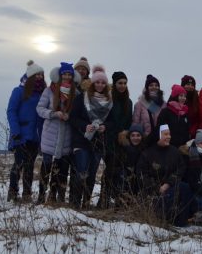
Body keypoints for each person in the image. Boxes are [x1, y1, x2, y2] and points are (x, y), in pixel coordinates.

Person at [69, 65, 115, 208]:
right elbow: (73, 118)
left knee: (92, 173)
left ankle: (86, 202)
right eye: (97, 82)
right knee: (81, 171)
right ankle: (75, 202)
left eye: (103, 82)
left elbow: (113, 122)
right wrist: (84, 126)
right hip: (82, 141)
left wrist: (105, 126)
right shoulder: (81, 98)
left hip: (98, 142)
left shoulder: (109, 101)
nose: (100, 85)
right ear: (92, 83)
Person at [137, 124, 192, 227]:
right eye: (165, 134)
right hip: (153, 192)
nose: (169, 137)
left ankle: (181, 221)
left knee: (185, 188)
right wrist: (157, 187)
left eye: (169, 134)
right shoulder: (147, 153)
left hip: (170, 187)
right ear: (158, 136)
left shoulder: (174, 151)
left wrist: (168, 183)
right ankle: (162, 217)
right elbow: (142, 174)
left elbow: (181, 168)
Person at [37, 63, 76, 204]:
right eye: (64, 74)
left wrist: (69, 116)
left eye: (69, 74)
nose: (67, 76)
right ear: (59, 75)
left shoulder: (75, 93)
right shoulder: (49, 91)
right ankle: (41, 195)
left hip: (66, 135)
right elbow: (40, 109)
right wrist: (53, 113)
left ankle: (54, 196)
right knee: (46, 165)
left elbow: (77, 113)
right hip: (50, 134)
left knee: (60, 167)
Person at [7, 60, 46, 202]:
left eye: (41, 75)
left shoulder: (43, 94)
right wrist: (15, 130)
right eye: (37, 75)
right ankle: (12, 192)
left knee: (30, 166)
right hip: (21, 134)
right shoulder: (19, 91)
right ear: (30, 76)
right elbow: (11, 111)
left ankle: (27, 194)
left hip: (35, 136)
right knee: (18, 164)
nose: (40, 78)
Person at [99, 70, 132, 209]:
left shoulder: (128, 102)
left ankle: (119, 199)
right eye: (120, 83)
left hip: (122, 140)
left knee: (120, 170)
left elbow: (129, 119)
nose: (122, 85)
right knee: (110, 169)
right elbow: (105, 118)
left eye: (124, 83)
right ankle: (104, 199)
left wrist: (126, 132)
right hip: (109, 138)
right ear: (114, 83)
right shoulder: (108, 99)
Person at [132, 74, 165, 138]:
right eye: (151, 85)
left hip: (159, 139)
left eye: (156, 85)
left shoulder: (163, 104)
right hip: (145, 139)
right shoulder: (139, 104)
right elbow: (135, 123)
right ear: (147, 88)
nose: (154, 87)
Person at [119, 123, 144, 202]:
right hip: (125, 177)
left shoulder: (144, 150)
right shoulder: (123, 149)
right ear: (129, 137)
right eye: (133, 135)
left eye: (138, 135)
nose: (135, 138)